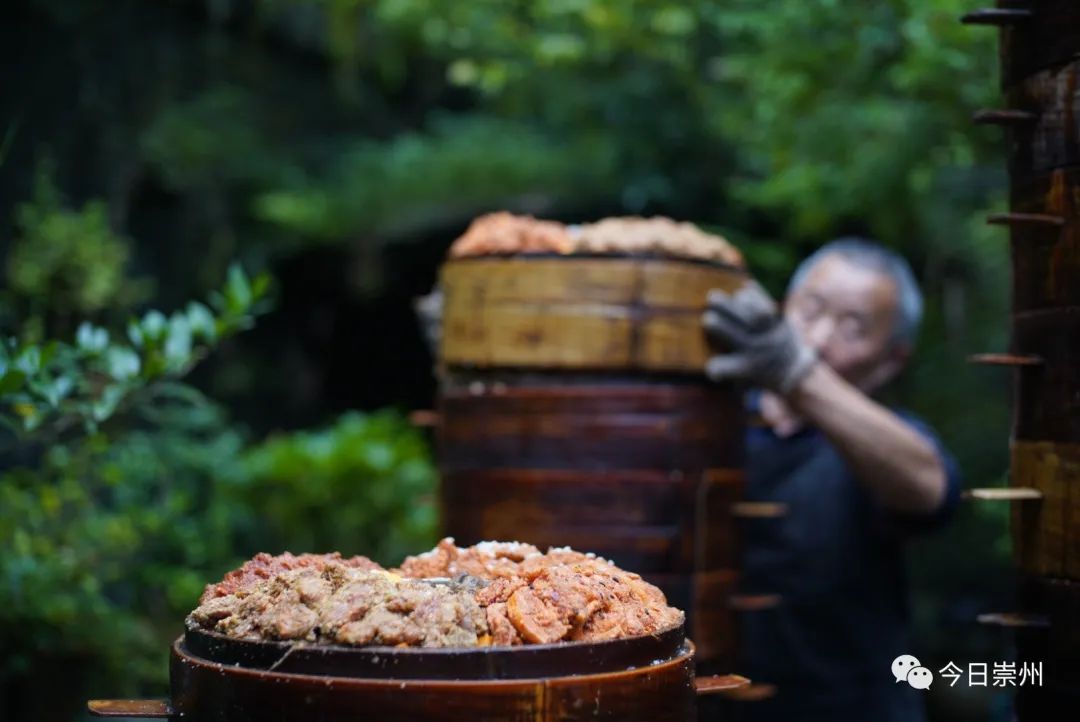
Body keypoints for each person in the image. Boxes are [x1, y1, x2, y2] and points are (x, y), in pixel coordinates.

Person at [701, 237, 961, 722]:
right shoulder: (715, 426)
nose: (819, 339)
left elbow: (931, 489)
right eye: (811, 310)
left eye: (853, 327)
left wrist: (796, 374)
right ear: (782, 310)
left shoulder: (888, 445)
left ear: (892, 360)